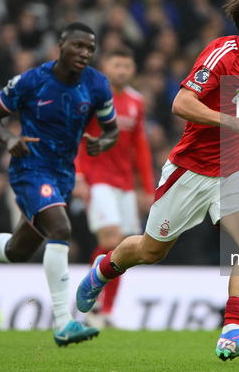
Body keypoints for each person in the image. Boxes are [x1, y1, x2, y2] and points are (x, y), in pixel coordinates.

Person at [76, 0, 239, 361]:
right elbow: (181, 103)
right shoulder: (222, 53)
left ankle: (232, 332)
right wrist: (228, 120)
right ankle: (102, 270)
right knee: (149, 250)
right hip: (190, 171)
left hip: (233, 171)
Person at [0, 22, 119, 346]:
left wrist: (102, 143)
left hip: (62, 173)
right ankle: (64, 323)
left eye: (90, 48)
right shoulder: (32, 81)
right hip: (30, 167)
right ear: (60, 45)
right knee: (60, 229)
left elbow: (112, 129)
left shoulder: (97, 84)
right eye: (78, 46)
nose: (84, 53)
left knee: (18, 251)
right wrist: (9, 139)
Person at [74, 46, 154, 328]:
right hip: (97, 179)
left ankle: (105, 312)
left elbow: (140, 147)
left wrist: (147, 187)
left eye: (127, 66)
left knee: (123, 250)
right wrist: (79, 174)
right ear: (106, 67)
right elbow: (78, 136)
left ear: (133, 70)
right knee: (111, 240)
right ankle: (92, 302)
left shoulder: (136, 101)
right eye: (116, 65)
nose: (122, 70)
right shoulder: (93, 96)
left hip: (125, 184)